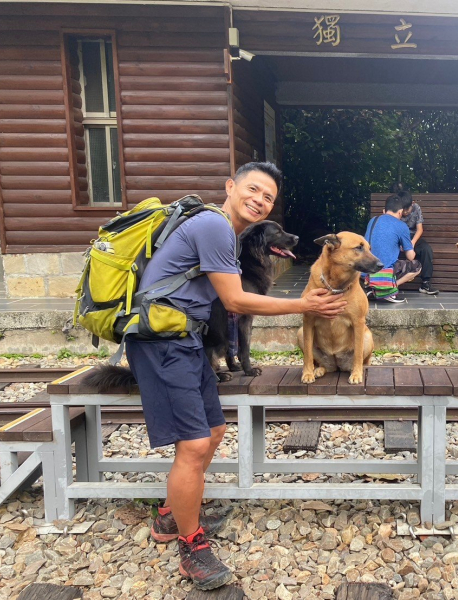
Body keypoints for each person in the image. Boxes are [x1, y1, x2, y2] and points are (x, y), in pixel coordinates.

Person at [129, 162, 346, 590]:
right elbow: (235, 300)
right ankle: (191, 547)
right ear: (231, 187)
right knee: (192, 445)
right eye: (253, 190)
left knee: (213, 429)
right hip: (160, 340)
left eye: (267, 197)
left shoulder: (225, 232)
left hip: (186, 338)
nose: (259, 200)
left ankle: (171, 515)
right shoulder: (212, 225)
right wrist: (306, 305)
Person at [364, 193, 421, 303]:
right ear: (400, 212)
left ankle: (372, 287)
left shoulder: (373, 221)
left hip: (366, 270)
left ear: (384, 211)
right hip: (384, 270)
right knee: (416, 266)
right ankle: (387, 289)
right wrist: (410, 246)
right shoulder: (401, 226)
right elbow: (410, 256)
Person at [398, 187, 438, 295]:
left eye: (407, 209)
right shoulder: (396, 209)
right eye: (403, 210)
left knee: (426, 249)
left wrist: (412, 243)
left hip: (413, 237)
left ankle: (425, 283)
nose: (405, 212)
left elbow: (420, 229)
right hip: (398, 237)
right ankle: (389, 282)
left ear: (412, 203)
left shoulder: (416, 208)